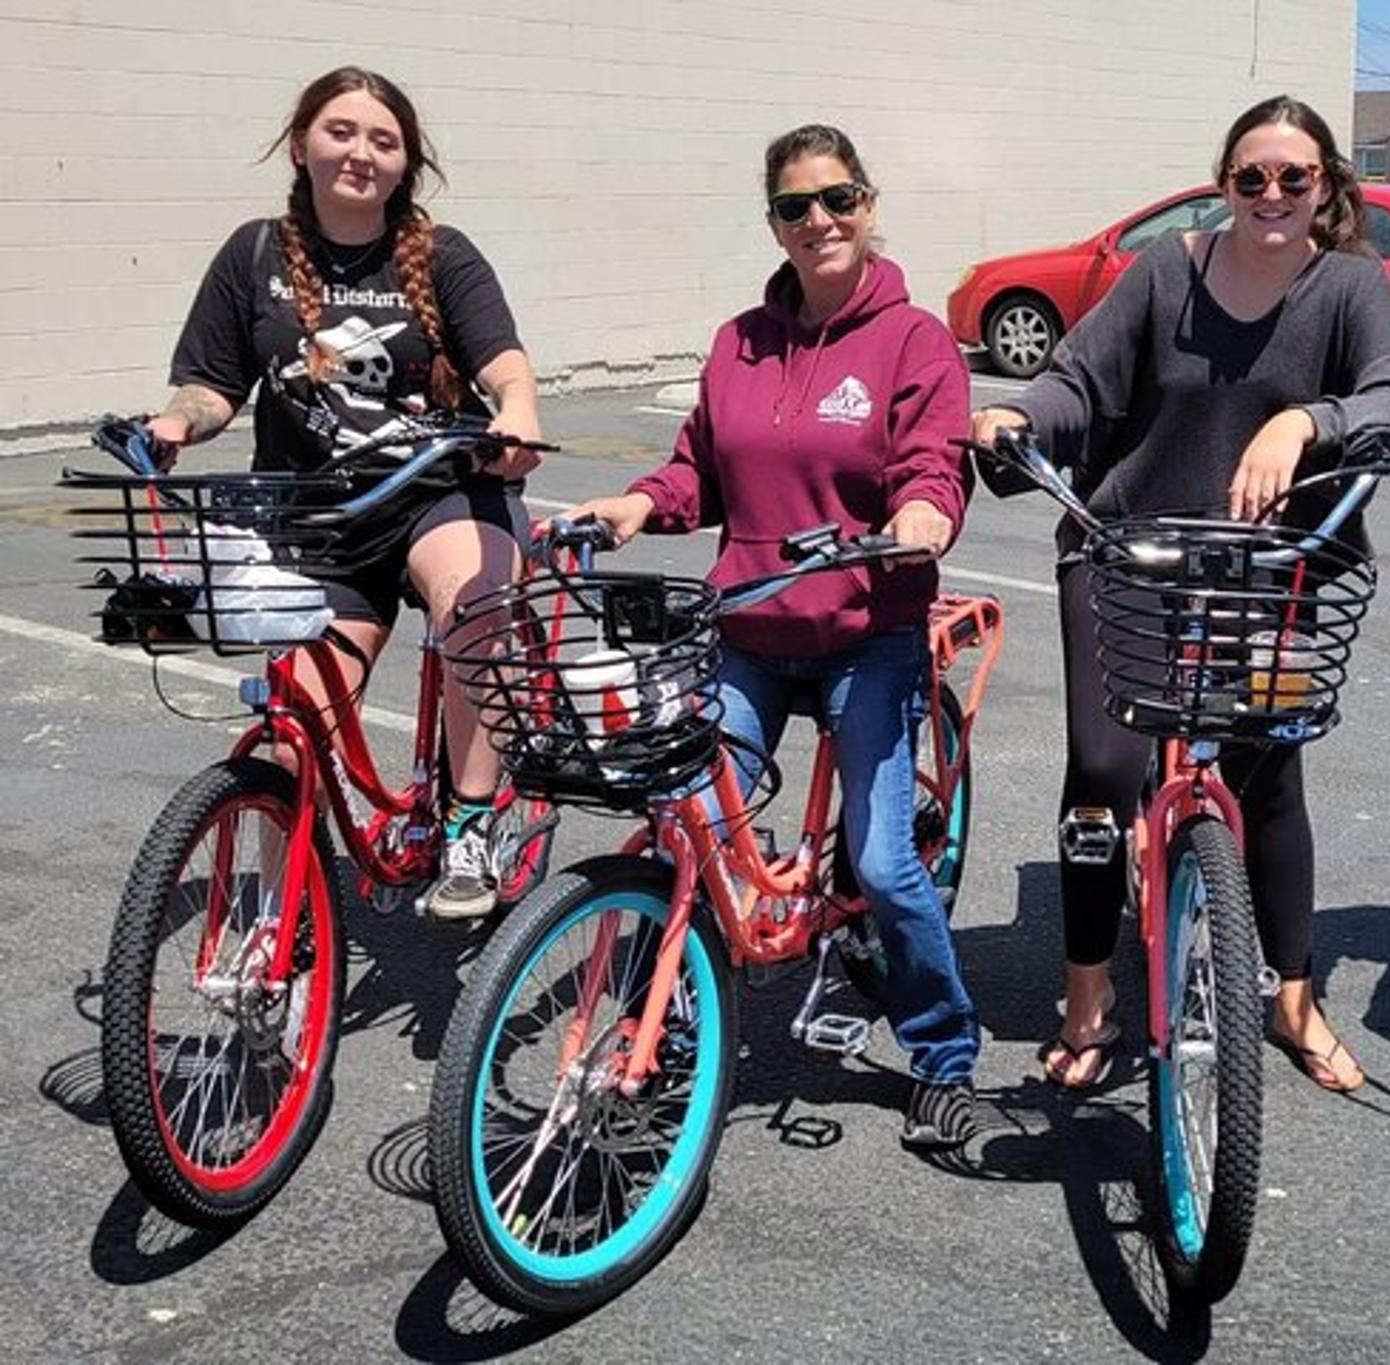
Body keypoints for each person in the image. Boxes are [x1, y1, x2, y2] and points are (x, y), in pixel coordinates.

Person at [971, 95, 1390, 1093]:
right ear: (1224, 184)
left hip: (1271, 566)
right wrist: (1018, 413)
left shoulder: (1348, 285)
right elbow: (1078, 381)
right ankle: (1087, 990)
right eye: (1251, 177)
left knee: (1268, 773)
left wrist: (1306, 422)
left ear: (1323, 187)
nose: (1271, 194)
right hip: (1130, 549)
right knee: (1103, 768)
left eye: (1293, 177)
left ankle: (1293, 1000)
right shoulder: (1163, 272)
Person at [568, 125, 982, 1149]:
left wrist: (923, 512)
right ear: (773, 223)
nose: (819, 221)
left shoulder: (913, 340)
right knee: (686, 821)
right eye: (796, 207)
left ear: (868, 204)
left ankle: (942, 1051)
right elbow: (697, 472)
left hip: (866, 628)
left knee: (880, 863)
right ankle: (661, 1024)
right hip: (748, 627)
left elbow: (933, 462)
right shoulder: (736, 342)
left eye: (837, 199)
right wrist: (635, 504)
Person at [145, 66, 545, 921]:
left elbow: (503, 362)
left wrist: (516, 412)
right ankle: (276, 926)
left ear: (405, 164)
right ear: (301, 146)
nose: (361, 152)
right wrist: (176, 422)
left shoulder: (441, 255)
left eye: (383, 140)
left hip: (433, 493)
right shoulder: (255, 254)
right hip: (318, 521)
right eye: (341, 131)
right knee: (292, 744)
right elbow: (212, 385)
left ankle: (471, 822)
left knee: (476, 604)